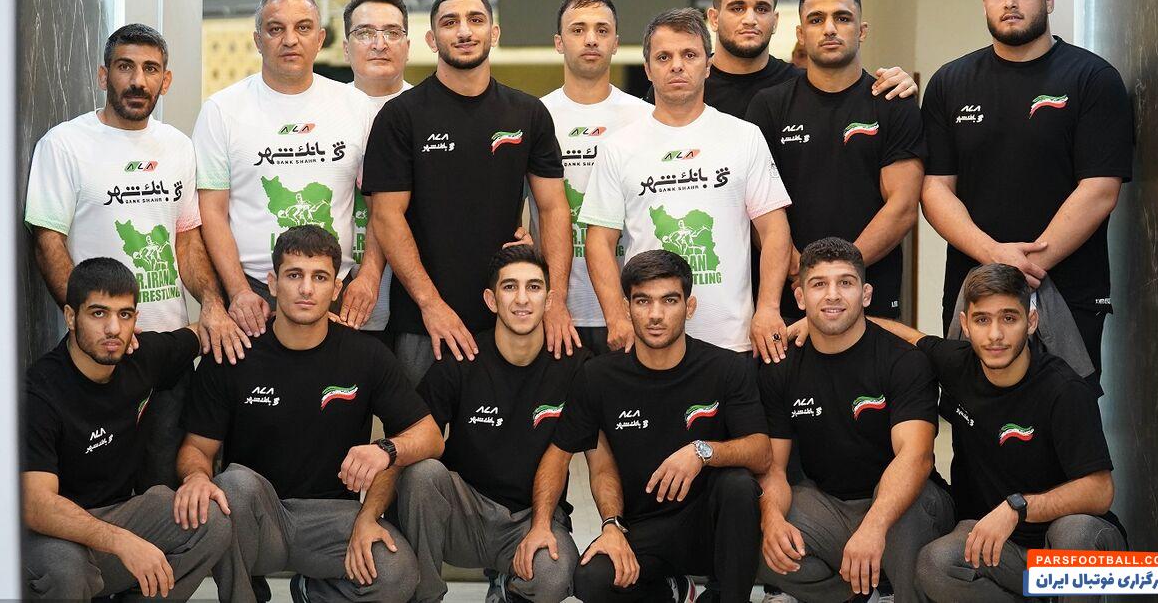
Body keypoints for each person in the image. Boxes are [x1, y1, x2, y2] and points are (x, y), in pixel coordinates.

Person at [25, 23, 245, 490]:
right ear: (104, 75)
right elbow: (48, 243)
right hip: (105, 355)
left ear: (166, 80)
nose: (138, 81)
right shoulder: (64, 145)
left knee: (167, 488)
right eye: (125, 67)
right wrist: (94, 325)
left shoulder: (177, 147)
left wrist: (211, 302)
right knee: (101, 491)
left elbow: (187, 240)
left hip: (168, 353)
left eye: (151, 69)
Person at [176, 225, 444, 603]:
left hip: (331, 518)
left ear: (336, 289)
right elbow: (196, 449)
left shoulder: (365, 355)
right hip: (258, 517)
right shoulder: (235, 352)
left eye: (319, 277)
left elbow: (430, 436)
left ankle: (312, 591)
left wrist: (385, 451)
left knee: (396, 573)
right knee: (234, 486)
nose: (306, 289)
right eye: (294, 275)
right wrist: (195, 478)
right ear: (272, 284)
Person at [920, 0, 1134, 380]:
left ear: (1048, 0)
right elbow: (934, 188)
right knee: (974, 412)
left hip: (1069, 290)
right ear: (984, 2)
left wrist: (1025, 266)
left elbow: (1100, 190)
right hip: (974, 288)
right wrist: (995, 257)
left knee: (1067, 409)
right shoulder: (950, 83)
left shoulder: (1093, 79)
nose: (1010, 2)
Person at [868, 263, 1124, 603]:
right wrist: (817, 324)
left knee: (1076, 531)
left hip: (1065, 547)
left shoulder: (1064, 390)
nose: (995, 335)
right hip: (1000, 550)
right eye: (982, 320)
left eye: (1009, 318)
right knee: (936, 563)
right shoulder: (958, 364)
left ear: (1031, 321)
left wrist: (1017, 508)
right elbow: (907, 337)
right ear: (965, 324)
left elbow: (1100, 491)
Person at [532, 250, 770, 602]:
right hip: (645, 527)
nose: (656, 314)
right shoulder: (598, 377)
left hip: (714, 528)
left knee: (737, 485)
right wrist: (610, 526)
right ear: (627, 308)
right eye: (643, 301)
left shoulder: (726, 368)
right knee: (592, 579)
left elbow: (761, 453)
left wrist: (701, 452)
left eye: (669, 300)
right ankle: (670, 591)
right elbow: (584, 462)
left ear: (689, 307)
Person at [364, 0, 574, 384]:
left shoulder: (528, 113)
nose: (464, 31)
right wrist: (431, 305)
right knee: (423, 425)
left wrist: (555, 300)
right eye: (450, 22)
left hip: (507, 318)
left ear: (494, 33)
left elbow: (553, 208)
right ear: (431, 39)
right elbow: (387, 217)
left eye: (475, 20)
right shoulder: (400, 116)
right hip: (424, 324)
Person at [580, 8, 794, 361]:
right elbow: (600, 241)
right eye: (664, 57)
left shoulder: (744, 137)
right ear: (648, 69)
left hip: (732, 340)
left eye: (689, 55)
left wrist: (768, 308)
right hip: (648, 343)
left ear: (708, 65)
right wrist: (616, 316)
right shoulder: (618, 147)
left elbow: (774, 230)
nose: (677, 66)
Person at [384, 245, 585, 603]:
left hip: (531, 518)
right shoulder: (462, 360)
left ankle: (509, 589)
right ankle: (424, 595)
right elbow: (410, 438)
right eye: (509, 287)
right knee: (422, 473)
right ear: (491, 300)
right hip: (464, 515)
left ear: (550, 299)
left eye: (534, 287)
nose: (522, 299)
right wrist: (370, 514)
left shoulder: (576, 366)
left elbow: (599, 459)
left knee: (555, 574)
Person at [22, 258, 230, 601]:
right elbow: (37, 505)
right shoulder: (41, 391)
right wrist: (121, 541)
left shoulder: (141, 357)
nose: (113, 329)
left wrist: (236, 312)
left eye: (125, 315)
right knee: (67, 570)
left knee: (211, 519)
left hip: (118, 514)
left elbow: (205, 331)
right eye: (98, 313)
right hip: (53, 533)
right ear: (71, 317)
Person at [757, 238, 951, 602]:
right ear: (800, 298)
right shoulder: (782, 368)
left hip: (902, 508)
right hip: (830, 507)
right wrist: (772, 520)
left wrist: (874, 526)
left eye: (845, 283)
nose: (832, 295)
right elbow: (775, 469)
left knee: (907, 506)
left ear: (866, 294)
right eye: (819, 284)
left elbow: (917, 457)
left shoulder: (903, 361)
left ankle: (901, 590)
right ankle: (863, 591)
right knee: (754, 527)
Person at [192, 0, 378, 339]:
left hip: (335, 290)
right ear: (257, 40)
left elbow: (379, 207)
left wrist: (368, 276)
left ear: (320, 39)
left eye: (303, 28)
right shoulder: (221, 111)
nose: (290, 40)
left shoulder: (357, 107)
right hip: (253, 296)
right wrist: (238, 291)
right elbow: (211, 213)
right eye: (276, 29)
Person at [747, 0, 925, 321]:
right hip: (791, 292)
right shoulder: (769, 106)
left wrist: (840, 276)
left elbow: (902, 207)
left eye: (842, 18)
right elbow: (757, 208)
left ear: (862, 30)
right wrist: (802, 271)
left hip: (872, 292)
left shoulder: (893, 102)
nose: (829, 29)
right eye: (816, 20)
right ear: (801, 34)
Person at [644, 0, 918, 121]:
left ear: (775, 20)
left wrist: (898, 83)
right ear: (714, 18)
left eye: (761, 9)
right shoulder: (680, 87)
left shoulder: (800, 86)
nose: (750, 19)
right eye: (738, 8)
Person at [532, 0, 652, 355]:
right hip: (554, 311)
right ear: (558, 42)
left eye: (602, 30)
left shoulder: (644, 117)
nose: (590, 39)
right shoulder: (535, 116)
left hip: (633, 308)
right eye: (578, 29)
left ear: (616, 43)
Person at [340, 0, 415, 335]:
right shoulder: (321, 111)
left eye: (392, 33)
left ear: (408, 46)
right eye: (365, 33)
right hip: (337, 290)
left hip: (414, 295)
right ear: (345, 48)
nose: (379, 44)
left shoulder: (431, 112)